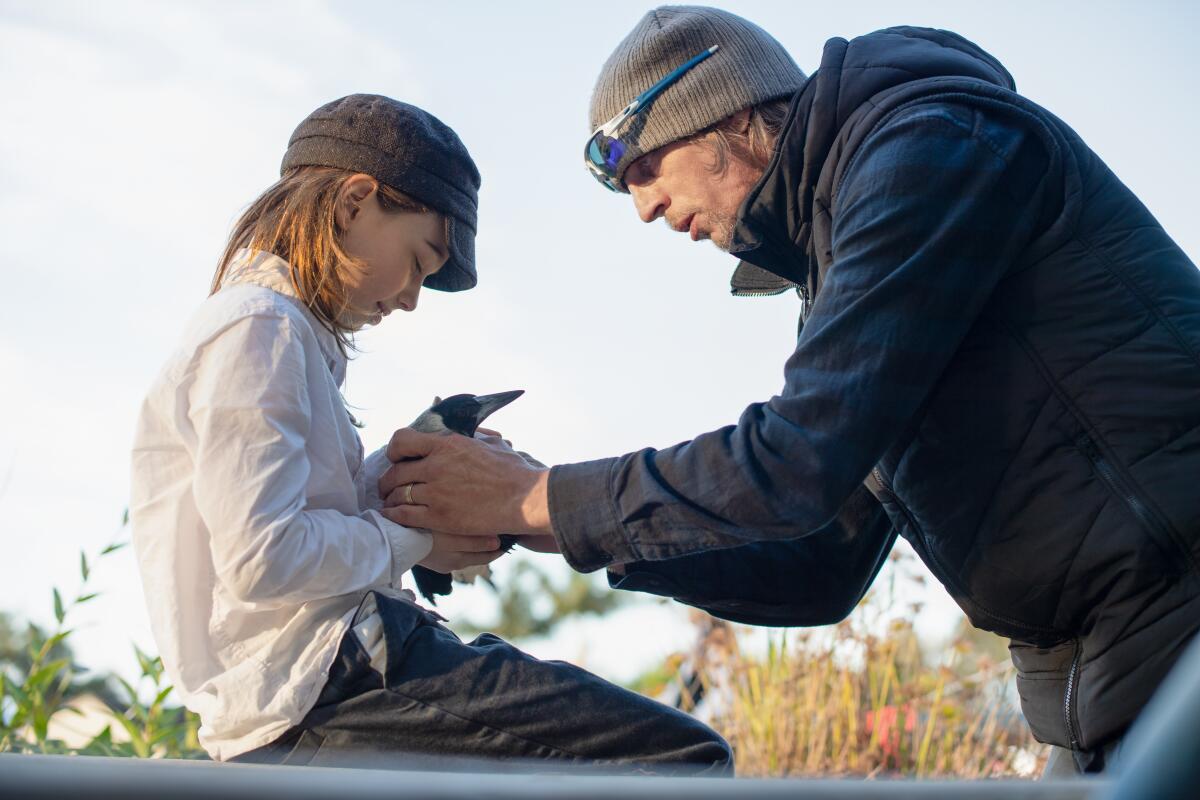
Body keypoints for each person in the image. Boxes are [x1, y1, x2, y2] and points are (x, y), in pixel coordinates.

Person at [378, 6, 1200, 777]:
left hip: (1177, 628)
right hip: (1091, 692)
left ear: (729, 111)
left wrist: (541, 500)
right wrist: (552, 524)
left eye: (643, 164)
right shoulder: (836, 270)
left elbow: (795, 458)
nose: (643, 207)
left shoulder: (931, 147)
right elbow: (821, 563)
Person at [128, 93, 732, 773]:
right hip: (327, 682)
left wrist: (409, 473)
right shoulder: (259, 327)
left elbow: (286, 525)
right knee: (685, 758)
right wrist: (419, 536)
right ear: (355, 201)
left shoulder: (277, 331)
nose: (414, 296)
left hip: (322, 682)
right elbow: (265, 558)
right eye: (420, 258)